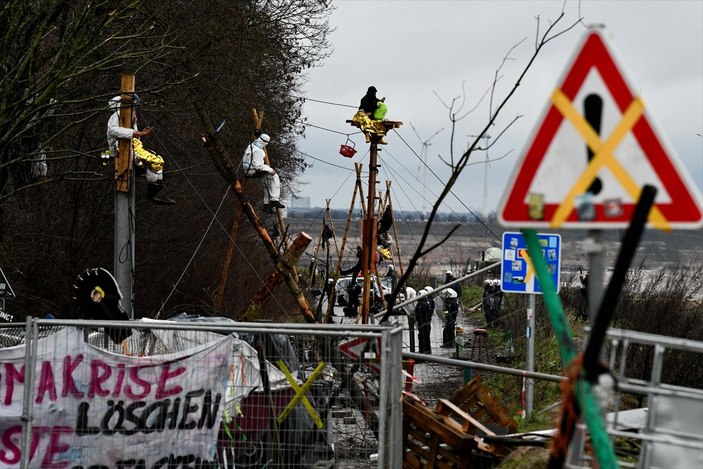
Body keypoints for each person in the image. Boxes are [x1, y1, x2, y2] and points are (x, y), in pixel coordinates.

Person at [106, 95, 176, 205]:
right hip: (122, 147)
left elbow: (132, 134)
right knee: (154, 161)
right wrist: (134, 133)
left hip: (132, 145)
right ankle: (153, 192)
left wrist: (140, 134)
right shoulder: (118, 114)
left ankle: (154, 188)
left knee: (156, 160)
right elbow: (112, 130)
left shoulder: (129, 116)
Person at [242, 133, 285, 214]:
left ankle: (266, 205)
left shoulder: (251, 146)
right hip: (252, 170)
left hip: (247, 169)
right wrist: (270, 170)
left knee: (267, 182)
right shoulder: (258, 151)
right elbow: (258, 166)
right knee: (274, 176)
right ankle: (274, 200)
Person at [415, 288, 432, 354]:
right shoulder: (425, 303)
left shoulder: (422, 304)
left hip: (423, 323)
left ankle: (423, 350)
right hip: (425, 323)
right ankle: (425, 350)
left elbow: (420, 314)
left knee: (423, 337)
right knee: (425, 337)